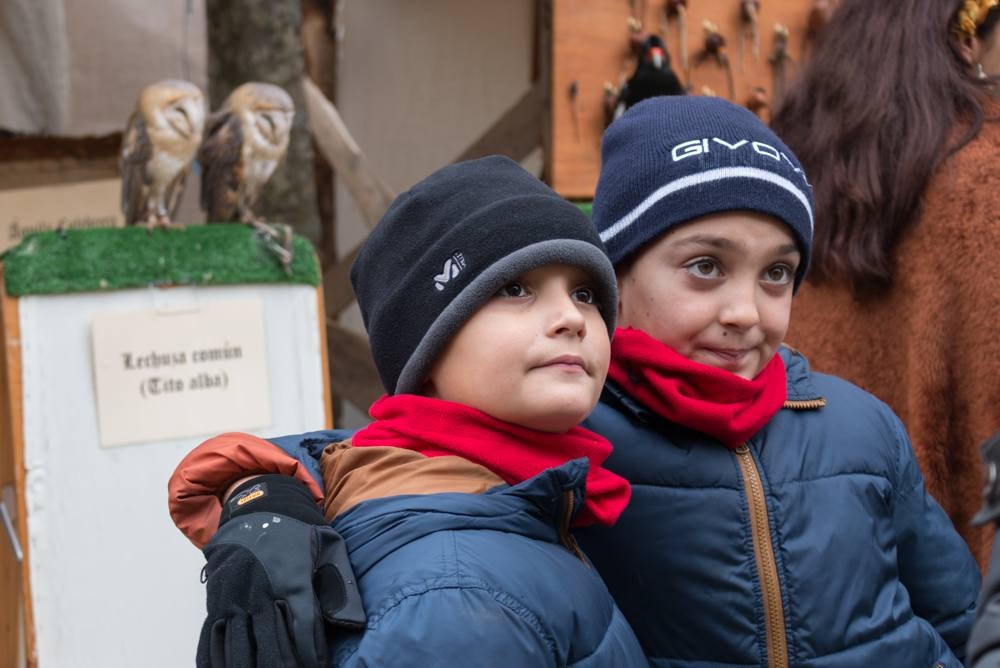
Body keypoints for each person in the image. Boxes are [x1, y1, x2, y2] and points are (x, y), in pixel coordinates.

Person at [168, 155, 649, 667]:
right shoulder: (455, 597)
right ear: (428, 352)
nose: (572, 318)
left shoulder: (526, 498)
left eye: (585, 293)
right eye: (515, 288)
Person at [572, 95, 980, 666]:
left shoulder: (862, 427)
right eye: (706, 266)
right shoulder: (565, 442)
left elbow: (962, 617)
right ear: (615, 273)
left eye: (776, 273)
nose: (747, 312)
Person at [769, 0, 1000, 567]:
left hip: (810, 572)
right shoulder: (986, 173)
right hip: (957, 595)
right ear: (967, 42)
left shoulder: (797, 166)